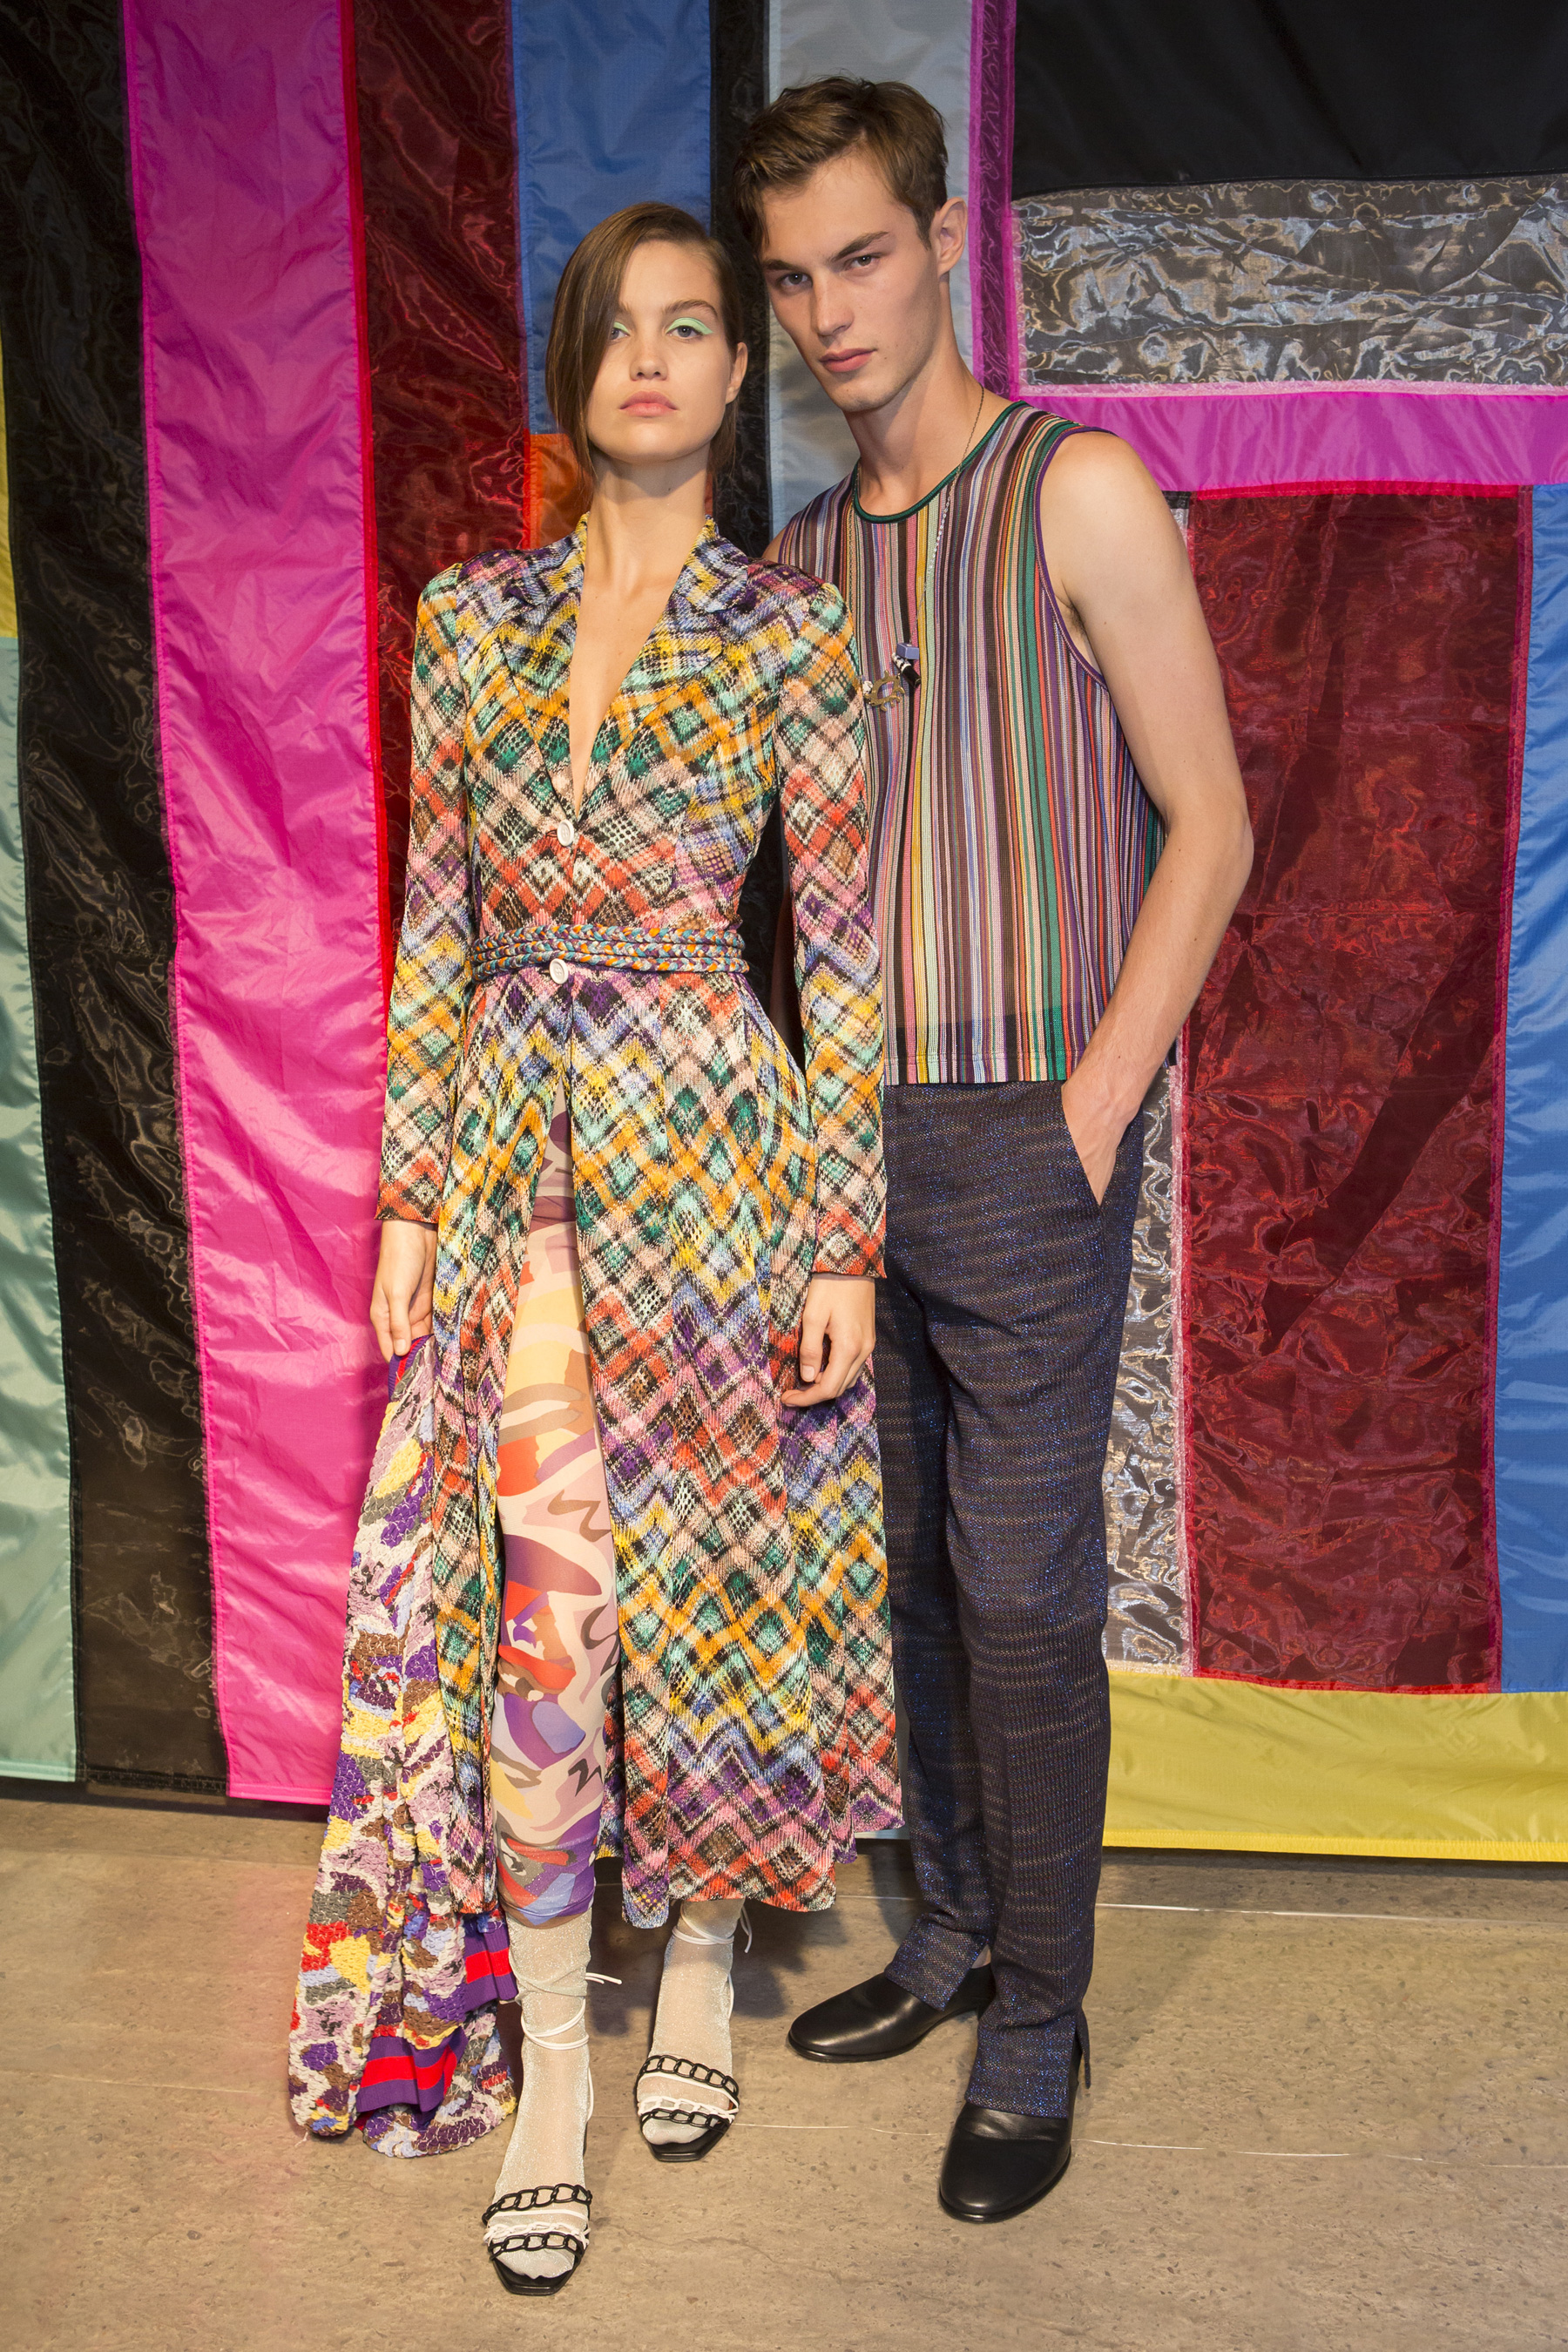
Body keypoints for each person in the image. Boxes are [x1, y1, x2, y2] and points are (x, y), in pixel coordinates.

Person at [336, 200, 897, 2294]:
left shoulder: (788, 633)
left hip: (719, 1147)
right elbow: (438, 926)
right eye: (617, 327)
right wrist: (409, 1193)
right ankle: (556, 2076)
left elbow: (842, 954)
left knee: (724, 1584)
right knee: (553, 1625)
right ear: (572, 376)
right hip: (515, 1165)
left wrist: (842, 1239)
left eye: (693, 325)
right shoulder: (469, 619)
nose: (652, 357)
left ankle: (703, 1969)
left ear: (739, 376)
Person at [733, 80, 1254, 2226]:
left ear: (945, 241)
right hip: (850, 1161)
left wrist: (1097, 1102)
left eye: (862, 256)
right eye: (791, 279)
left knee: (1027, 1596)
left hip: (1033, 1128)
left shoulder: (1079, 490)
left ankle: (1042, 2024)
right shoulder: (796, 560)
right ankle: (949, 1933)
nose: (830, 312)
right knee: (914, 1581)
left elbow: (1212, 825)